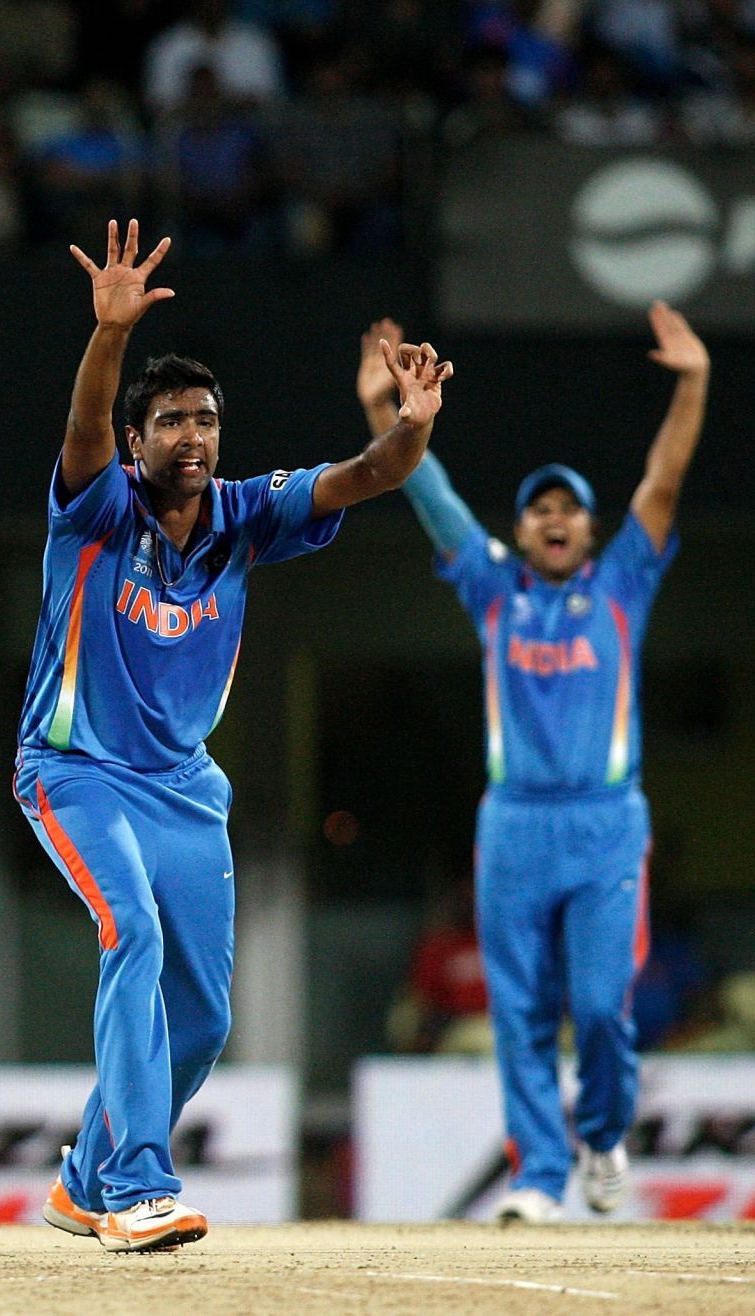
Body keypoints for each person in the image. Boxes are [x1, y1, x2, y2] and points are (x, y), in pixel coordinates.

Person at [22, 221, 451, 1252]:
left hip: (183, 786)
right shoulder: (95, 508)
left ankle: (83, 1175)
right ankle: (134, 1184)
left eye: (206, 419)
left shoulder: (245, 514)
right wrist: (110, 337)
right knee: (130, 927)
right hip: (77, 770)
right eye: (170, 421)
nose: (192, 436)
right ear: (137, 444)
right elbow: (84, 423)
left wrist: (414, 426)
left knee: (204, 1019)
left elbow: (367, 474)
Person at [358, 304, 708, 1223]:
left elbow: (664, 479)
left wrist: (694, 381)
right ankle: (538, 1178)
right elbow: (430, 498)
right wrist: (385, 419)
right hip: (513, 824)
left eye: (570, 510)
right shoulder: (494, 589)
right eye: (540, 509)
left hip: (602, 824)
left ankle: (601, 1132)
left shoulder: (625, 584)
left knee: (598, 1005)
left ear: (591, 532)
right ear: (522, 530)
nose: (556, 520)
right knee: (516, 1014)